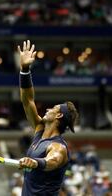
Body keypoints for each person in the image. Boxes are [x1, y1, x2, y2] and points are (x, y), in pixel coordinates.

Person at [17, 40, 79, 195]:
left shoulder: (59, 147)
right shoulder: (39, 130)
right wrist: (25, 69)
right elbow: (27, 100)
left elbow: (53, 161)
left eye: (53, 108)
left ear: (58, 115)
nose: (48, 109)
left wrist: (36, 162)